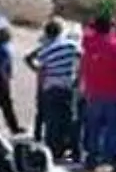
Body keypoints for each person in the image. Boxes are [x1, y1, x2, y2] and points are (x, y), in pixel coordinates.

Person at [79, 14, 116, 172]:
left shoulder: (88, 45)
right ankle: (114, 159)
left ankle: (92, 158)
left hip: (93, 91)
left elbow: (82, 66)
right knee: (114, 128)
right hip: (114, 91)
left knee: (93, 127)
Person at [26, 18, 82, 159]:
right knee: (69, 119)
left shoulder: (46, 51)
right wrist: (77, 75)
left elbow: (33, 61)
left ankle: (54, 151)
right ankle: (74, 149)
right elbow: (82, 56)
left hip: (50, 87)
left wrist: (37, 70)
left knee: (52, 121)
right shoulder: (71, 45)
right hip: (68, 86)